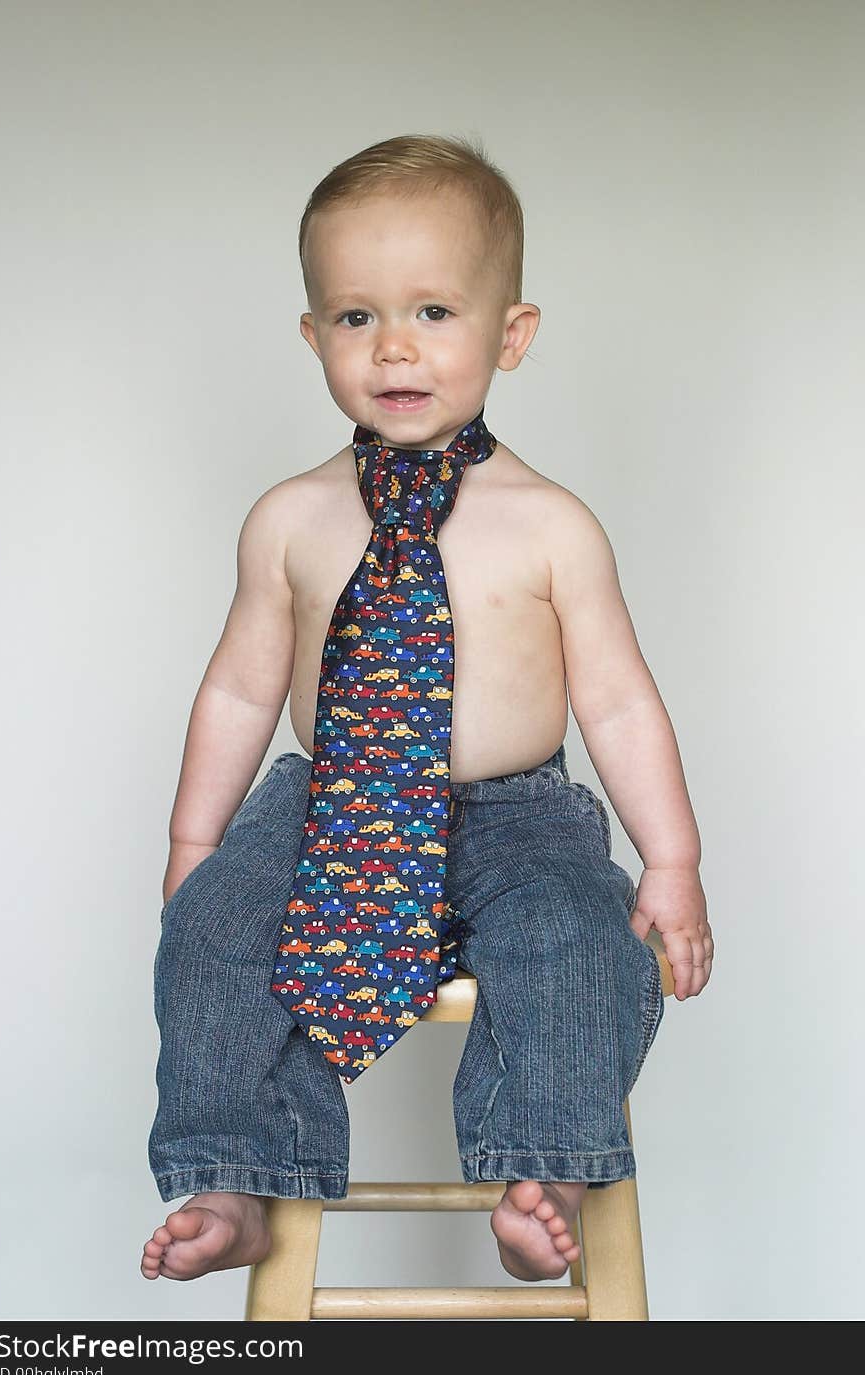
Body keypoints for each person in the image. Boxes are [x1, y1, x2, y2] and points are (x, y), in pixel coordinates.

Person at [141, 133, 713, 1286]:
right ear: (313, 336)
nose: (393, 343)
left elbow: (618, 697)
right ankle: (239, 1172)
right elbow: (242, 685)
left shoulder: (550, 522)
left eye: (435, 311)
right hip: (326, 805)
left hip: (517, 815)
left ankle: (540, 1164)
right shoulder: (290, 517)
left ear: (511, 334)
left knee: (574, 939)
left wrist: (673, 858)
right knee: (209, 933)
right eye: (355, 317)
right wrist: (195, 842)